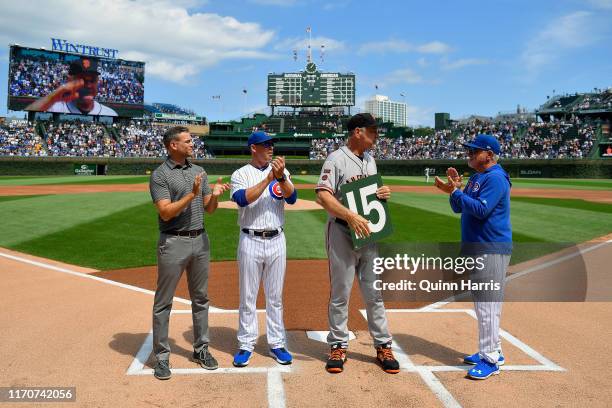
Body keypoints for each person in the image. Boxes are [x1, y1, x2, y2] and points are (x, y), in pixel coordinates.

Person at [315, 113, 400, 374]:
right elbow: (322, 196)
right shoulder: (336, 159)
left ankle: (383, 345)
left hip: (369, 234)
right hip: (342, 232)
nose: (376, 135)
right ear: (357, 132)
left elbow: (369, 196)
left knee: (374, 293)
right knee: (341, 293)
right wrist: (350, 216)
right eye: (372, 131)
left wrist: (382, 193)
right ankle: (338, 345)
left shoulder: (370, 160)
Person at [149, 126, 230, 380]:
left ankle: (201, 349)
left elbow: (210, 209)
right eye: (186, 140)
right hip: (173, 242)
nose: (192, 143)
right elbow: (165, 212)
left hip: (200, 240)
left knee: (201, 299)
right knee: (163, 303)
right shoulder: (160, 174)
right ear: (173, 145)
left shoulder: (199, 171)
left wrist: (214, 195)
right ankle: (162, 357)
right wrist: (191, 194)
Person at [434, 133, 512, 380]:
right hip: (478, 247)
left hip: (490, 248)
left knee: (487, 304)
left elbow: (480, 210)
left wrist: (457, 192)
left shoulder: (496, 178)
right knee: (483, 304)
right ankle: (493, 350)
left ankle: (490, 360)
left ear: (488, 155)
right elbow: (459, 207)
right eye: (469, 150)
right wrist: (455, 191)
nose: (469, 153)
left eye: (474, 151)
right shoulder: (479, 177)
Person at [230, 131, 297, 367]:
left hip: (277, 239)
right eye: (265, 145)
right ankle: (246, 344)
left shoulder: (282, 173)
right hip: (250, 239)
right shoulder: (240, 174)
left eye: (271, 144)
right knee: (248, 296)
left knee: (275, 297)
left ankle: (277, 343)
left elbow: (292, 198)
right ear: (253, 148)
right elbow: (241, 199)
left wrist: (280, 179)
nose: (270, 148)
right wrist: (269, 179)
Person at [24, 57, 118, 116]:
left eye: (92, 80)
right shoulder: (54, 108)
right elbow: (27, 115)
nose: (88, 85)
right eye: (83, 80)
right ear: (70, 81)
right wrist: (51, 98)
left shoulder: (110, 113)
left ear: (98, 82)